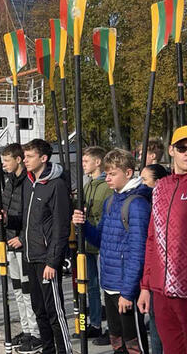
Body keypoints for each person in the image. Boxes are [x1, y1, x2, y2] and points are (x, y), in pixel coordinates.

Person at [0, 138, 72, 354]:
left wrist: (53, 261)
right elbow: (25, 220)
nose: (26, 160)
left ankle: (63, 351)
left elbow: (60, 226)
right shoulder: (29, 183)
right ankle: (47, 349)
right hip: (29, 255)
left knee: (53, 311)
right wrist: (7, 220)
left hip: (46, 259)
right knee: (38, 309)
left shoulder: (56, 185)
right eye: (25, 156)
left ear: (43, 158)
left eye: (30, 157)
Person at [73, 149, 150, 354]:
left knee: (133, 343)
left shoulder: (137, 204)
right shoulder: (111, 201)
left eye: (112, 173)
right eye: (106, 173)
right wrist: (83, 226)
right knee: (117, 342)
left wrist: (128, 291)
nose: (107, 178)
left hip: (125, 287)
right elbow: (100, 240)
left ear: (128, 173)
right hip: (109, 283)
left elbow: (138, 252)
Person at [139, 126, 187, 354]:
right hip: (161, 289)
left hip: (185, 288)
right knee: (170, 348)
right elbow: (151, 239)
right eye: (181, 148)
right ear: (171, 150)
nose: (186, 152)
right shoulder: (161, 188)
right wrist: (146, 286)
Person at [0, 143, 42, 352]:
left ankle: (36, 332)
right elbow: (11, 212)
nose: (4, 165)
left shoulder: (27, 181)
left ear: (17, 160)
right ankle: (26, 329)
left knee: (27, 290)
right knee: (16, 289)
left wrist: (22, 238)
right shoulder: (10, 182)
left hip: (21, 243)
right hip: (9, 241)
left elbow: (31, 216)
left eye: (7, 160)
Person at [80, 146, 112, 342]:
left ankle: (111, 327)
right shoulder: (88, 185)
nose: (83, 165)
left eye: (86, 161)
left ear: (97, 162)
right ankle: (95, 323)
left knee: (104, 288)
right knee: (90, 285)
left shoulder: (107, 186)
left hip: (101, 243)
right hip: (87, 243)